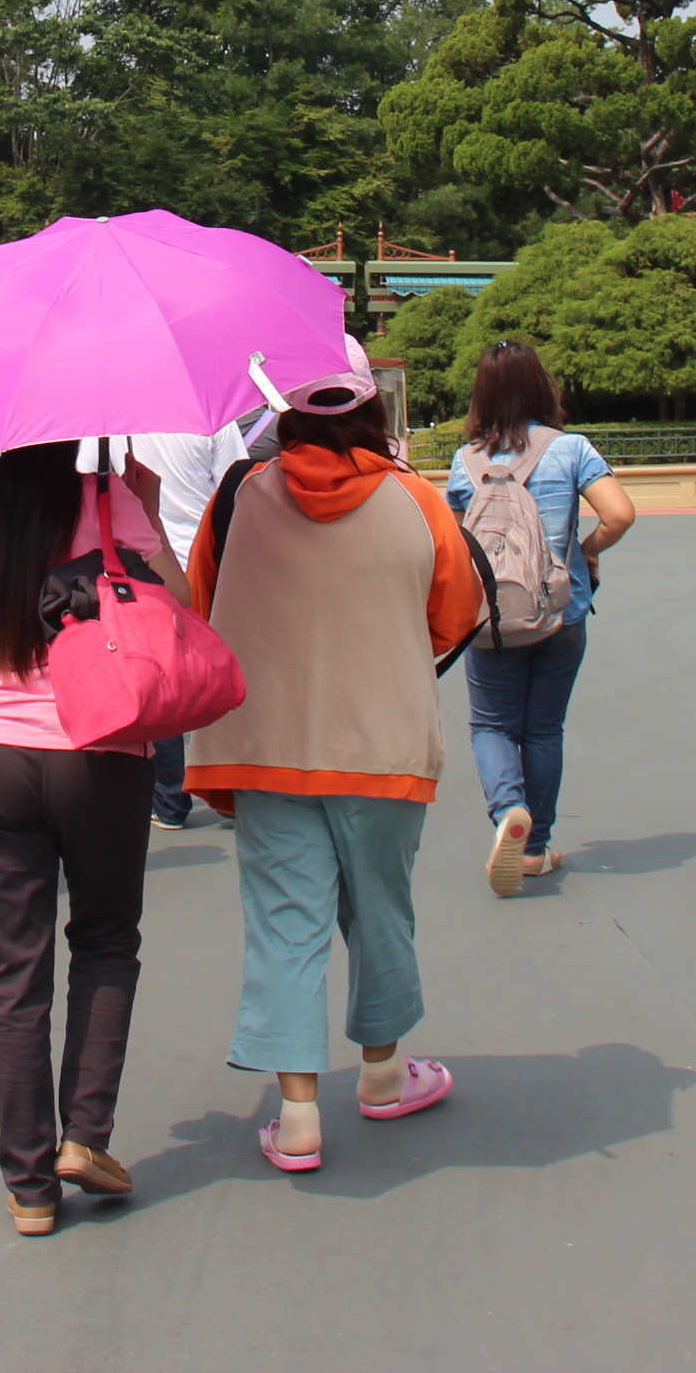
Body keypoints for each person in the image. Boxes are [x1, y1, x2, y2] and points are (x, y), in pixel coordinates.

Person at [183, 340, 484, 1174]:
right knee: (380, 906)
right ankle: (384, 1072)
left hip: (265, 745)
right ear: (369, 405)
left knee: (286, 920)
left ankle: (298, 1115)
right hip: (383, 744)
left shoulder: (239, 496)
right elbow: (455, 613)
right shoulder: (416, 497)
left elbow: (203, 603)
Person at [0, 439, 180, 1235]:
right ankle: (85, 1135)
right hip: (102, 749)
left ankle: (29, 1183)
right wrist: (145, 509)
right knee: (105, 939)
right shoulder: (107, 502)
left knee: (10, 970)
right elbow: (183, 611)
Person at [442, 338, 635, 892]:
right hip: (561, 611)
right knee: (544, 729)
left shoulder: (465, 463)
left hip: (494, 617)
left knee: (492, 724)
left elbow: (453, 543)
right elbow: (620, 514)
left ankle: (509, 811)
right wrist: (586, 552)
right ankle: (535, 849)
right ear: (541, 386)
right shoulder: (571, 450)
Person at [128, 422, 245, 830]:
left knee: (163, 680)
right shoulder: (212, 420)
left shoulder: (117, 422)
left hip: (148, 559)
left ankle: (170, 799)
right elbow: (236, 484)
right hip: (208, 557)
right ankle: (230, 784)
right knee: (224, 672)